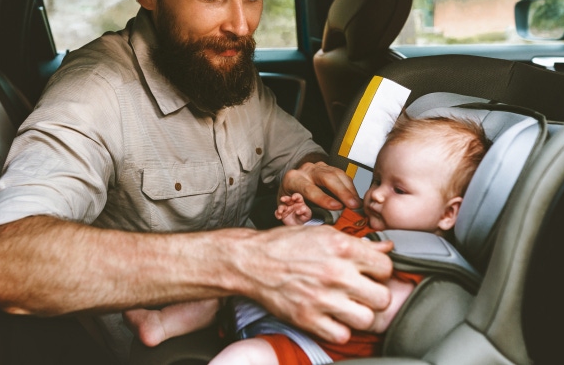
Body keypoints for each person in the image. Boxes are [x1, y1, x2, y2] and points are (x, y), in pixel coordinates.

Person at [0, 0, 394, 362]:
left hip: (246, 324)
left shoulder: (225, 65)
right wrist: (243, 262)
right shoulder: (93, 94)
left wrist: (305, 170)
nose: (240, 26)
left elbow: (290, 152)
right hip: (160, 349)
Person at [206, 114, 491, 364]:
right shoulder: (356, 220)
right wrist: (298, 225)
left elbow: (379, 310)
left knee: (244, 357)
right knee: (213, 284)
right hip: (268, 308)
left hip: (310, 345)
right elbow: (305, 249)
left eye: (399, 190)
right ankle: (164, 324)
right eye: (378, 180)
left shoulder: (421, 265)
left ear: (449, 213)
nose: (377, 194)